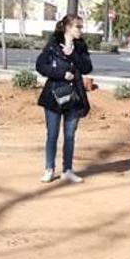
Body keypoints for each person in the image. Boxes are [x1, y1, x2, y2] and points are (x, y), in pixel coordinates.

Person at [35, 14, 93, 184]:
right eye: (78, 27)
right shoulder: (53, 43)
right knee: (52, 134)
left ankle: (67, 170)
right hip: (54, 95)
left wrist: (74, 54)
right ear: (68, 27)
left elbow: (87, 67)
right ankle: (49, 169)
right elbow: (40, 65)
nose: (81, 30)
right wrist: (61, 74)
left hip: (74, 96)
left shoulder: (80, 46)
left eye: (81, 27)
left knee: (69, 135)